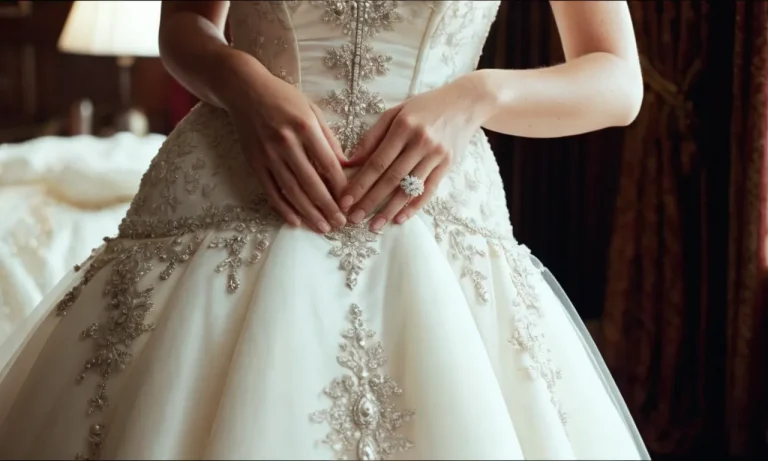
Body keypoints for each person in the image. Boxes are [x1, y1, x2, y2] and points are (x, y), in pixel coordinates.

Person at [0, 1, 649, 459]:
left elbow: (617, 79)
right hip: (233, 179)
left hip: (432, 206)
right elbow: (184, 24)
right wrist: (244, 83)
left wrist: (476, 98)